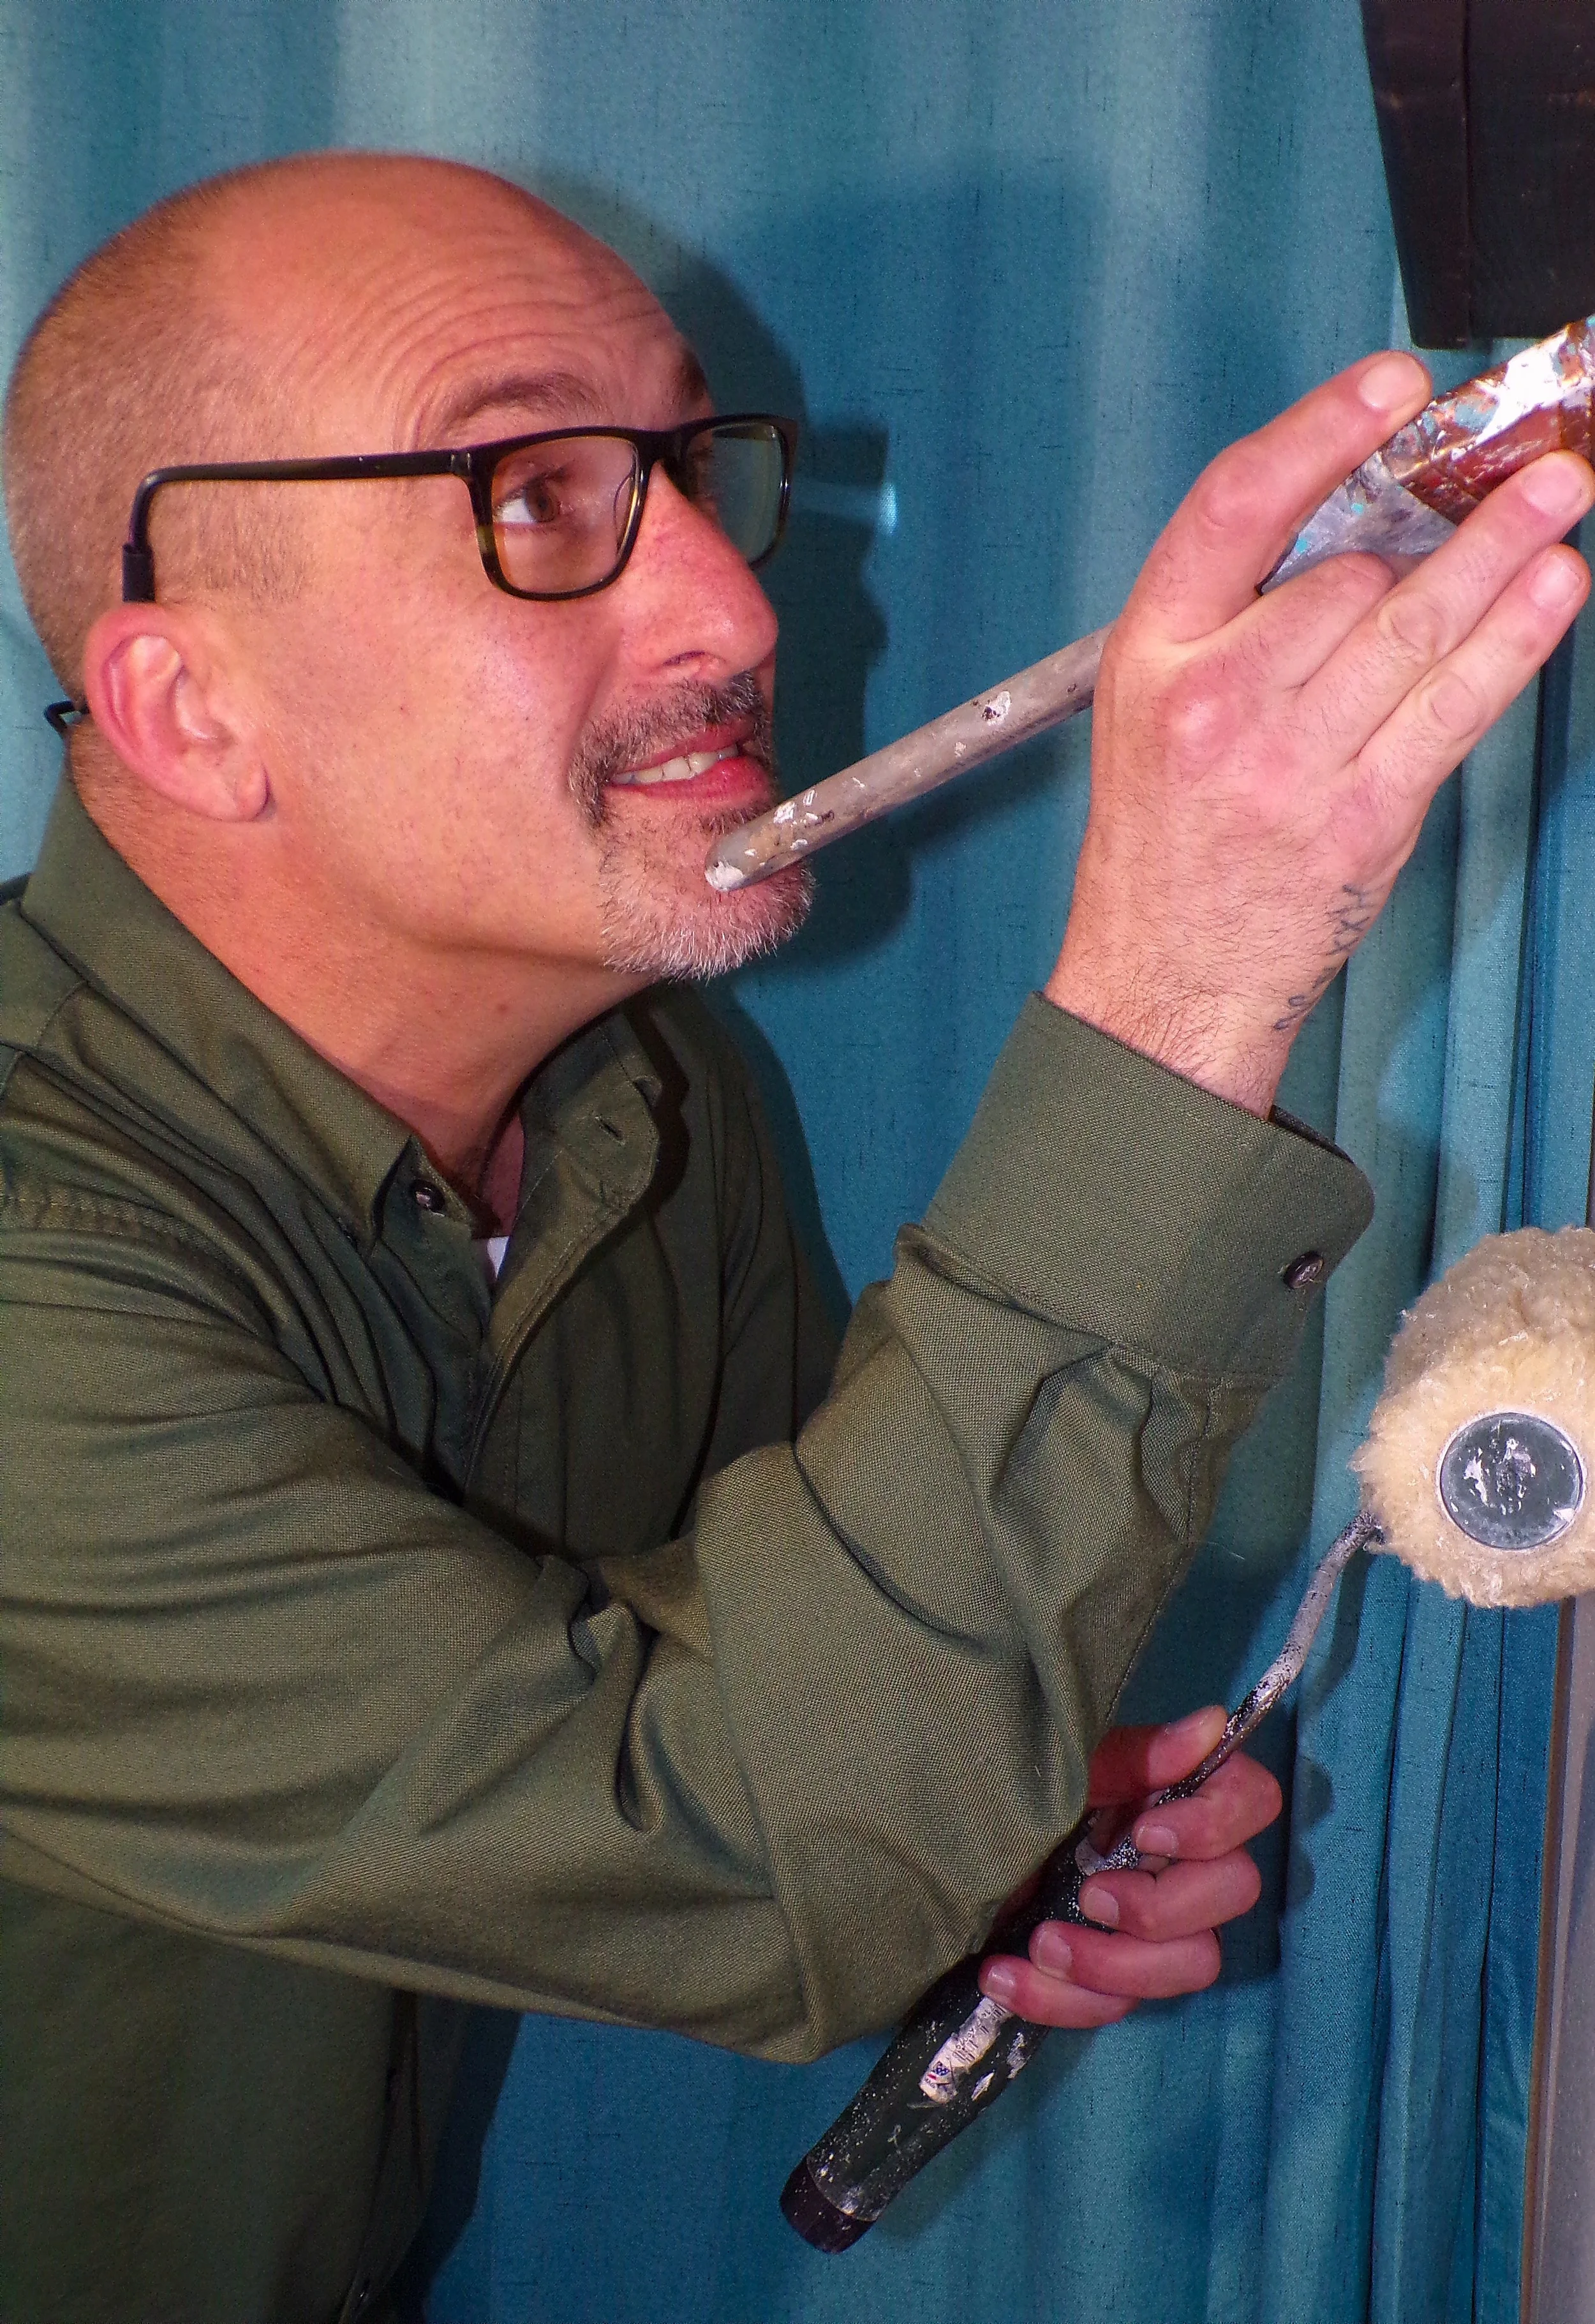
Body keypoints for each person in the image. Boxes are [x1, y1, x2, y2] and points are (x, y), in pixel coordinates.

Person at [0, 151, 1586, 2324]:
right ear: (192, 708)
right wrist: (1184, 982)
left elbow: (741, 1753)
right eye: (538, 501)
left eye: (682, 474)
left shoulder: (648, 1109)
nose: (743, 619)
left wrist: (993, 1831)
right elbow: (746, 1861)